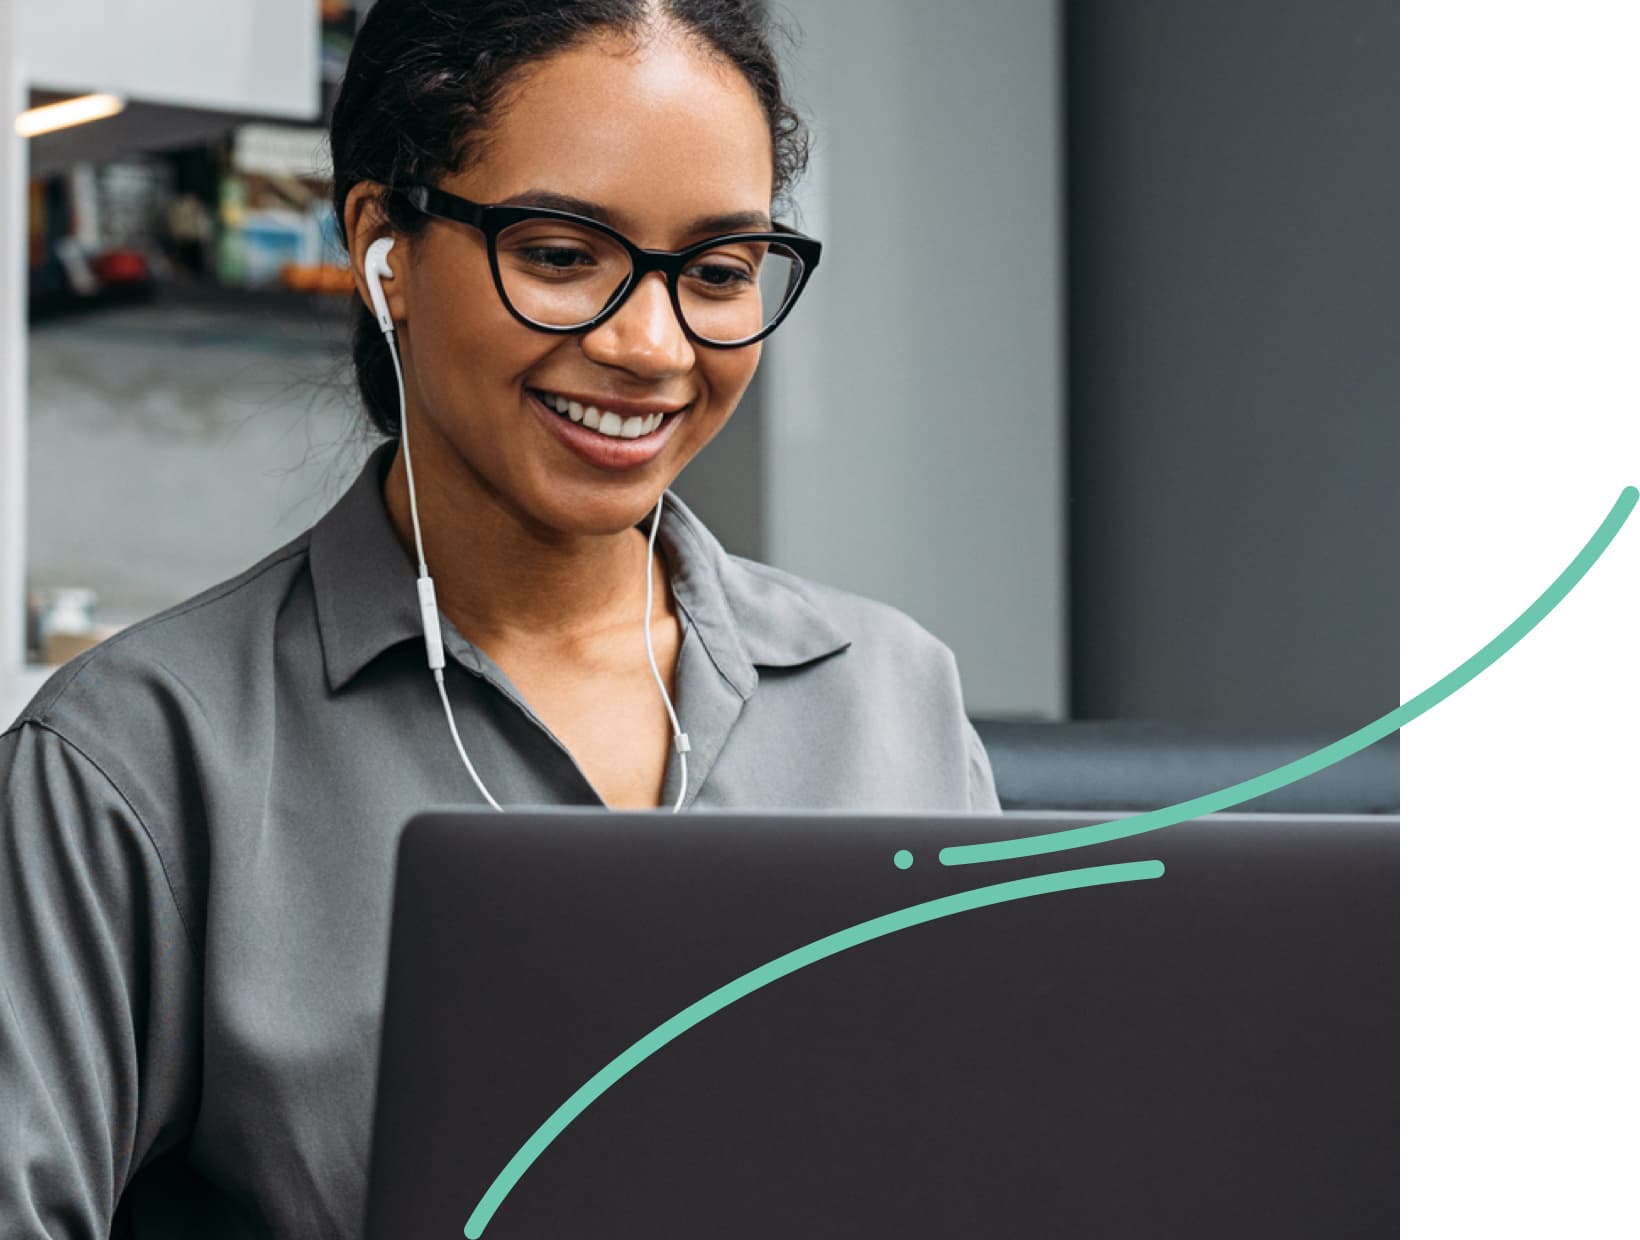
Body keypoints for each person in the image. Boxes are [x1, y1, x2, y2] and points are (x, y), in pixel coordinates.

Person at [0, 0, 999, 1234]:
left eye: (719, 272)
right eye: (561, 254)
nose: (652, 345)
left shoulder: (891, 698)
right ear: (384, 250)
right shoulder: (135, 760)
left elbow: (991, 1162)